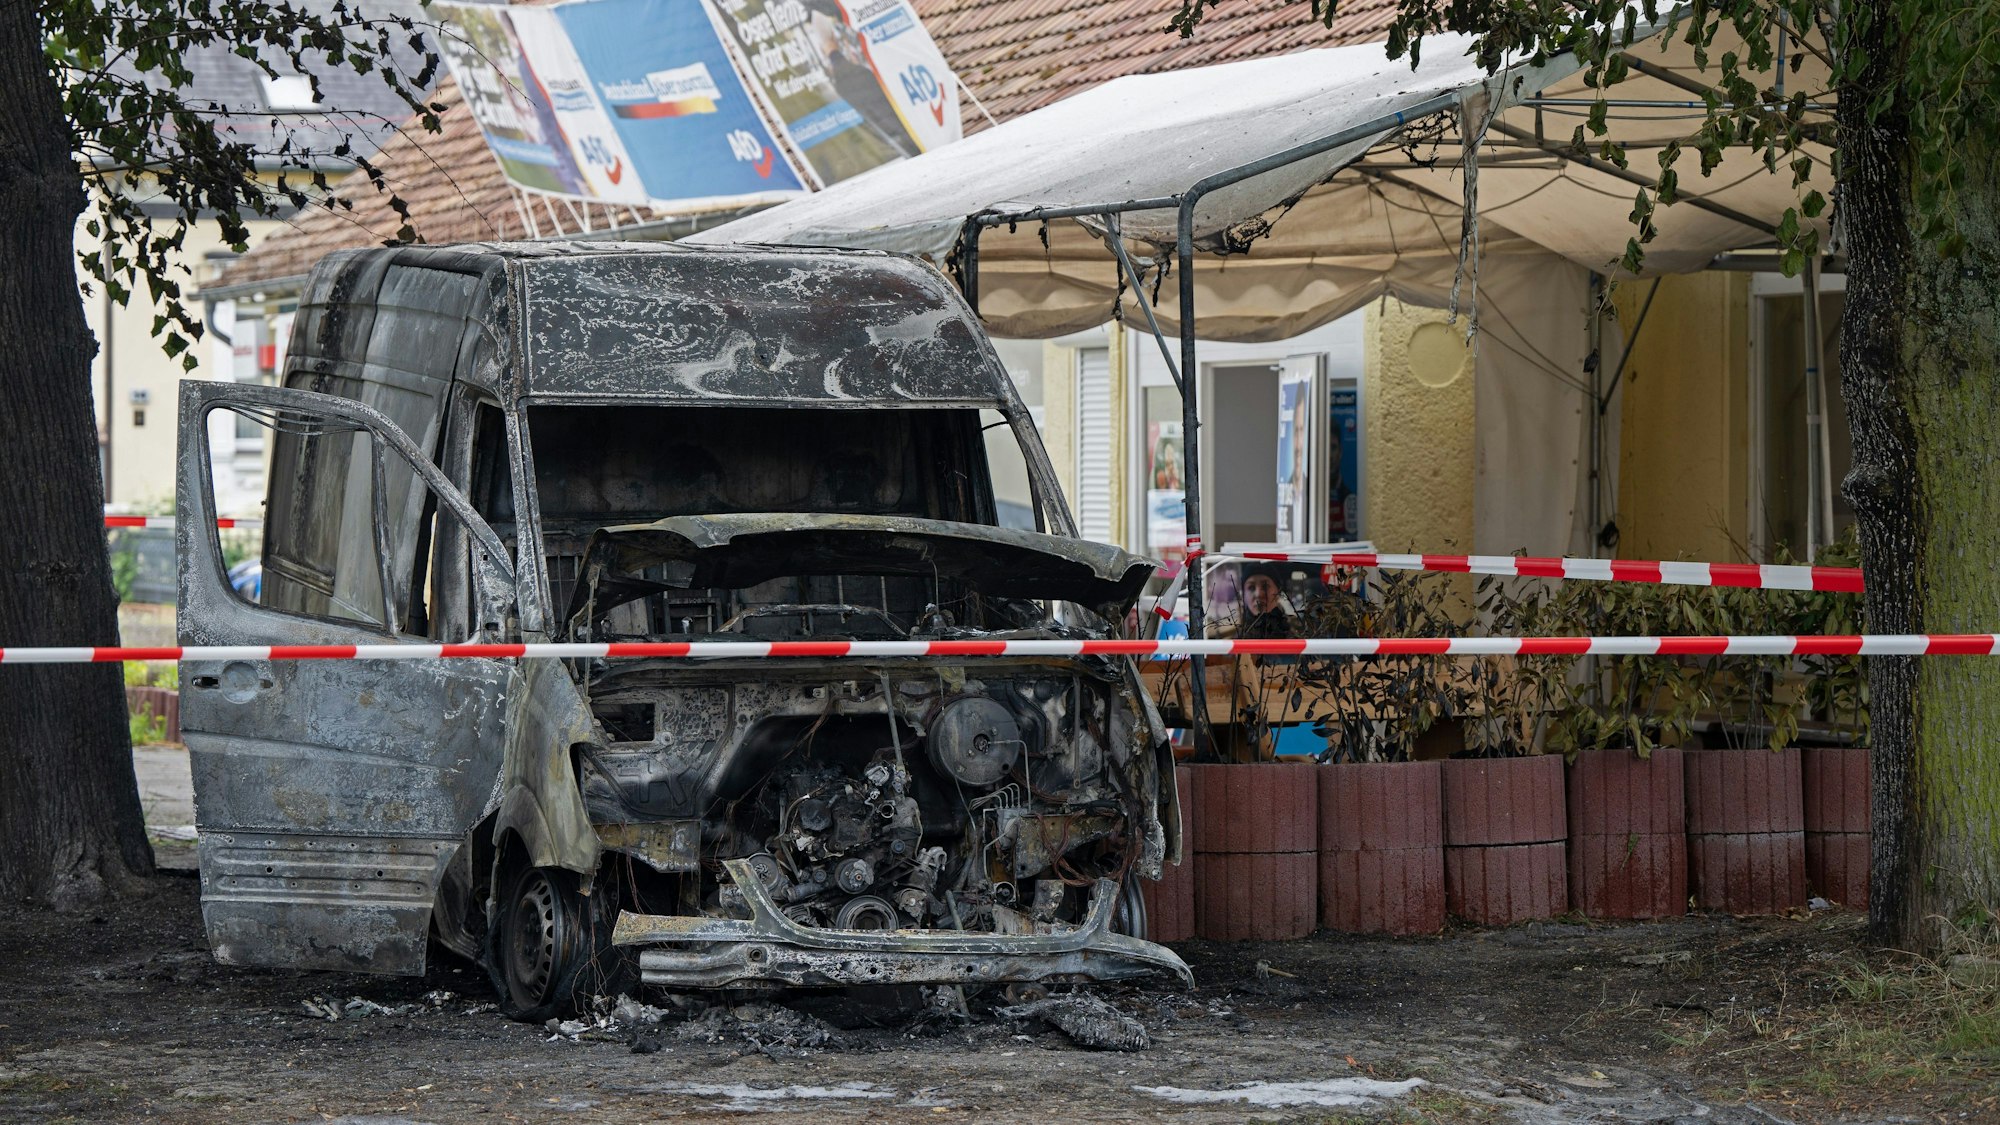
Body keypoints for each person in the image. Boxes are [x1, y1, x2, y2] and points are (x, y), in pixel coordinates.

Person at [1237, 566, 1298, 639]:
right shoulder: (1232, 644)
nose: (1258, 594)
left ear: (1278, 592)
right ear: (1243, 595)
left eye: (1265, 586)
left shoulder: (1298, 632)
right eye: (1251, 587)